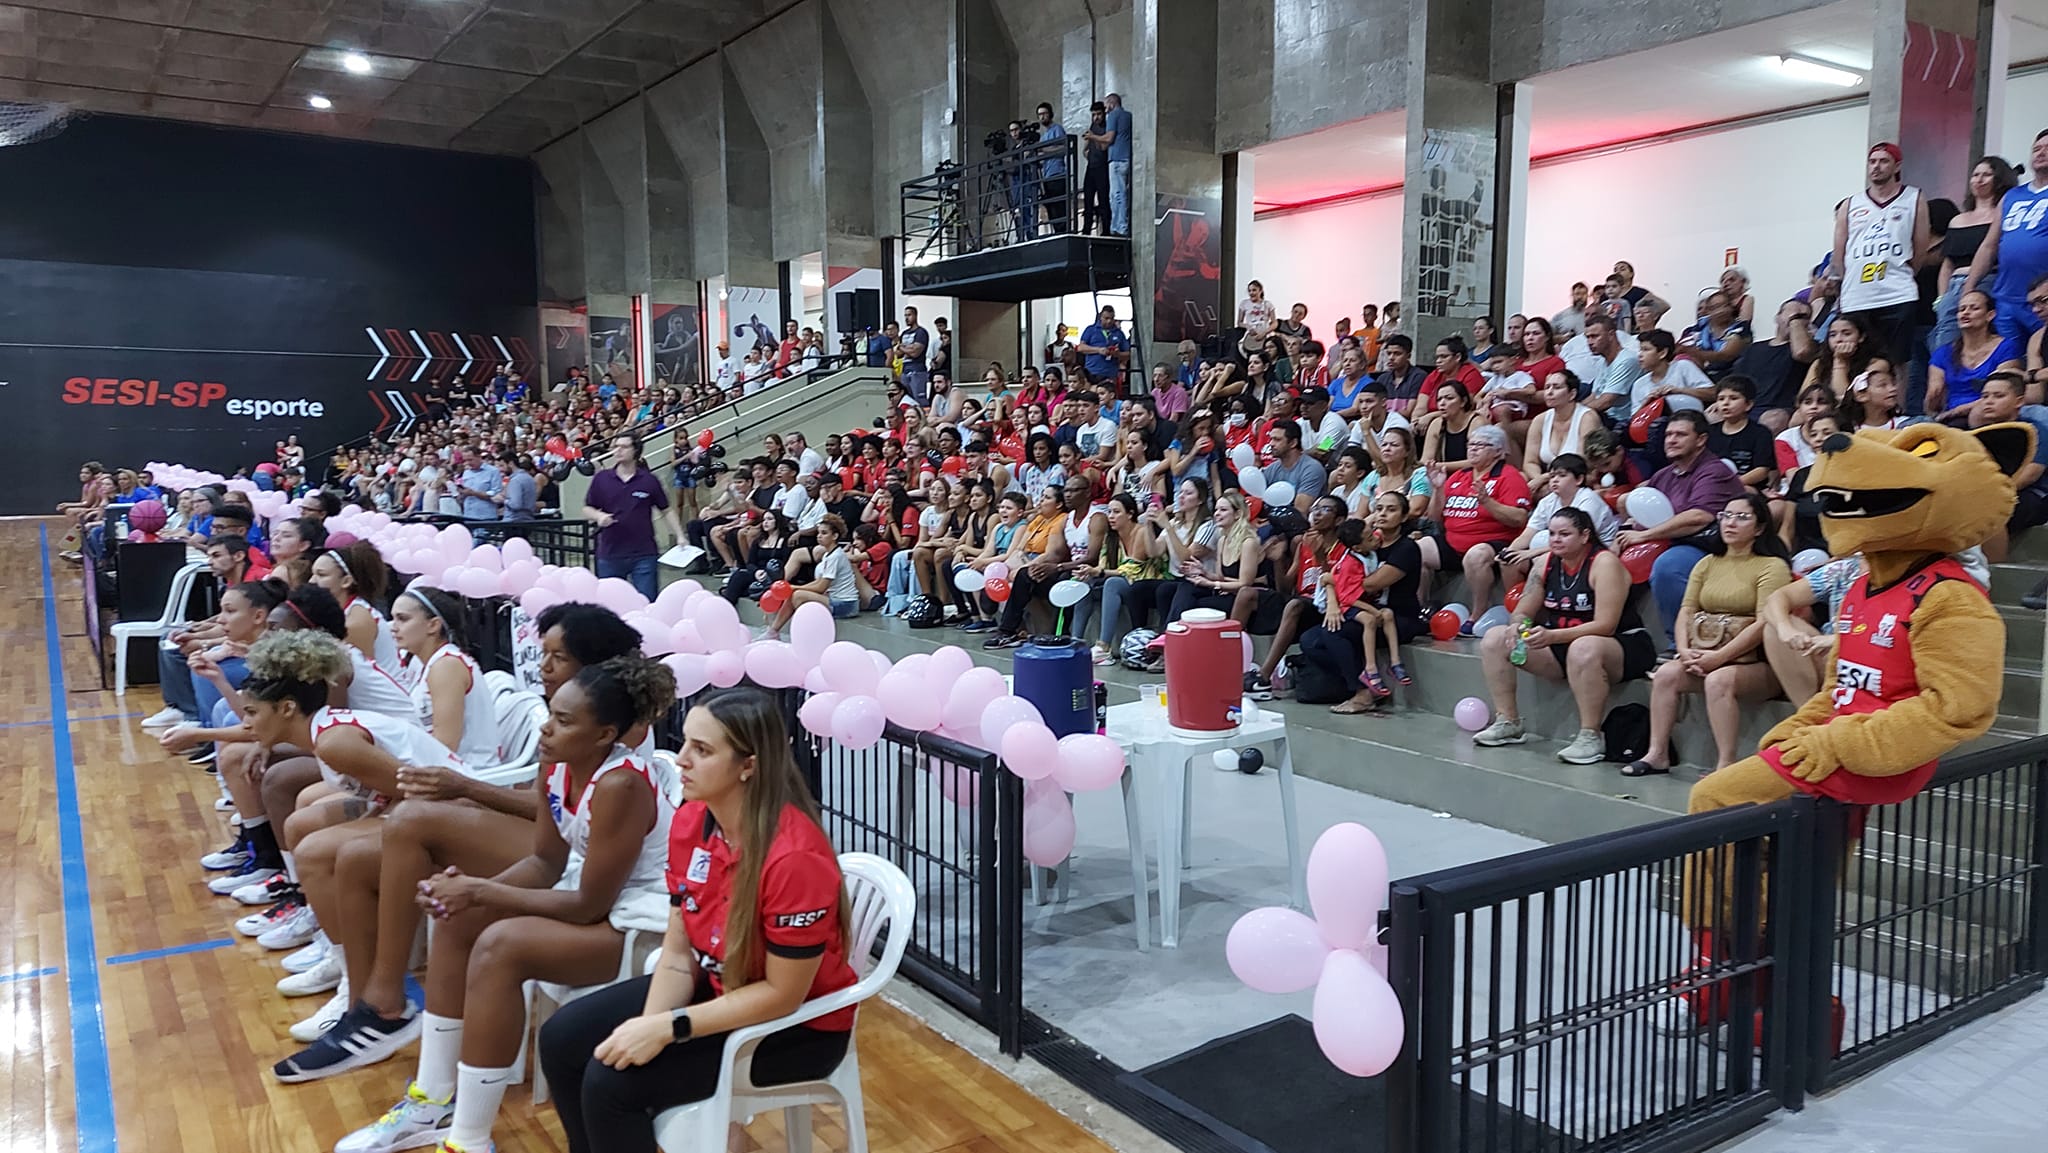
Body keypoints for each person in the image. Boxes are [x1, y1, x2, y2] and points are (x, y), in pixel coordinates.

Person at [321, 654, 676, 1152]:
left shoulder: (621, 784)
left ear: (605, 735)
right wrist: (463, 892)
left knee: (501, 946)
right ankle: (432, 1100)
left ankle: (468, 1139)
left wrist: (482, 889)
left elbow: (587, 906)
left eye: (565, 721)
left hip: (648, 928)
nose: (547, 729)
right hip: (595, 901)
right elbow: (545, 864)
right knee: (461, 919)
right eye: (551, 713)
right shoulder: (557, 764)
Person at [537, 689, 855, 1153]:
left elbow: (782, 996)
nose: (681, 760)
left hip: (796, 1028)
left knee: (611, 1088)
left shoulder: (794, 859)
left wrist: (670, 1029)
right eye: (685, 743)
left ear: (748, 765)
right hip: (719, 984)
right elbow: (678, 956)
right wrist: (646, 1030)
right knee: (561, 1039)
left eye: (701, 750)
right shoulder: (691, 822)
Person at [1626, 492, 1792, 776]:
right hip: (1705, 650)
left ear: (1760, 527)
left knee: (1718, 680)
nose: (1731, 523)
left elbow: (1765, 622)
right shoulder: (1707, 562)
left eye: (1742, 517)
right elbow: (1686, 611)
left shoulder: (1772, 566)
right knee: (1666, 674)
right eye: (1726, 516)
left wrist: (1719, 658)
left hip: (1757, 663)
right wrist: (1684, 650)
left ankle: (1725, 764)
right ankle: (1657, 753)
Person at [1475, 506, 1657, 762]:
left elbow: (1606, 625)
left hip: (1621, 644)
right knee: (1495, 638)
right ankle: (1509, 722)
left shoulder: (1604, 563)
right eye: (1551, 534)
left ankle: (1590, 735)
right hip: (1564, 641)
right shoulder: (1544, 563)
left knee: (1584, 647)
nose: (1555, 540)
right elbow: (1522, 610)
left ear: (1584, 536)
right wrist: (1517, 624)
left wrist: (1552, 637)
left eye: (1564, 534)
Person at [1621, 410, 1749, 645]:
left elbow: (1698, 517)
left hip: (1711, 547)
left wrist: (1644, 535)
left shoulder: (1714, 470)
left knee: (1668, 566)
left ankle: (1682, 642)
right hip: (1671, 541)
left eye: (1680, 434)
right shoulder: (1663, 475)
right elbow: (1645, 513)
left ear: (1700, 440)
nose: (1671, 439)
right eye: (1669, 434)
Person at [1328, 494, 1430, 714]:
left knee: (1335, 634)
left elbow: (1371, 584)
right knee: (1311, 639)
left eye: (1391, 510)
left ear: (1404, 517)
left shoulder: (1406, 547)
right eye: (1380, 508)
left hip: (1399, 617)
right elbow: (1331, 575)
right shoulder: (1364, 542)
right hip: (1365, 610)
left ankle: (1364, 693)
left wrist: (1339, 582)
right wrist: (1331, 601)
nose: (1383, 514)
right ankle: (1350, 686)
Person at [1833, 141, 1930, 365]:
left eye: (1883, 161)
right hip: (1857, 294)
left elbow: (1920, 248)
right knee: (1854, 360)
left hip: (1897, 292)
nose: (1876, 166)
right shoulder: (1851, 203)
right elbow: (1839, 253)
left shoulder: (1914, 198)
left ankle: (1896, 401)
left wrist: (1901, 272)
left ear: (1897, 166)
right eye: (1872, 161)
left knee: (1897, 362)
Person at [1427, 424, 1531, 630]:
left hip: (1493, 541)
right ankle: (1421, 606)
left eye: (1480, 445)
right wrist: (1438, 489)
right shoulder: (1458, 476)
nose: (1472, 449)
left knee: (1475, 555)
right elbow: (1433, 517)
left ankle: (1478, 611)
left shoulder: (1510, 476)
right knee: (1416, 550)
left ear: (1499, 452)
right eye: (1470, 444)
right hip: (1454, 541)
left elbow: (1519, 518)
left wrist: (1487, 502)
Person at [1964, 128, 2048, 340]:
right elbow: (1989, 246)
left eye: (2047, 149)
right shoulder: (2012, 196)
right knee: (2007, 363)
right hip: (2006, 297)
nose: (2041, 153)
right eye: (2037, 149)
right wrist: (1969, 287)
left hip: (2043, 299)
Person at [584, 431, 684, 601]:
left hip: (643, 552)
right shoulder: (602, 478)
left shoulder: (649, 480)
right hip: (610, 551)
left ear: (636, 450)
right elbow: (587, 508)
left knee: (646, 601)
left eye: (624, 447)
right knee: (609, 603)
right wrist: (599, 516)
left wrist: (680, 535)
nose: (618, 450)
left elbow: (666, 509)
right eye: (616, 446)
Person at [1934, 156, 2018, 350]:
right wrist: (1941, 297)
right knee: (1944, 339)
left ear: (1999, 180)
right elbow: (1947, 264)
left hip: (1988, 280)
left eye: (1986, 175)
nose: (1979, 180)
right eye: (1975, 175)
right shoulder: (1958, 220)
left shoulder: (2004, 214)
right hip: (1954, 285)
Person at [1927, 290, 2024, 417]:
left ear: (1990, 315)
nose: (1966, 313)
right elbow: (1930, 408)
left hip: (1993, 415)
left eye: (1974, 308)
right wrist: (1933, 399)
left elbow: (2004, 393)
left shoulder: (2006, 348)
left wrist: (1958, 411)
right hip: (1951, 417)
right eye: (1962, 309)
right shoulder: (1942, 353)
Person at [1729, 298, 1819, 431]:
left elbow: (1801, 352)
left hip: (1780, 409)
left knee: (1774, 420)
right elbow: (1736, 381)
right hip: (1748, 405)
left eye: (1803, 316)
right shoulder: (1754, 348)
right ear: (1777, 317)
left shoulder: (1811, 347)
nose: (1796, 317)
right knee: (1712, 416)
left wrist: (1795, 322)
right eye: (1792, 312)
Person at [1706, 376, 1778, 490]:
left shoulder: (1760, 433)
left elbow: (1762, 470)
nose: (1726, 403)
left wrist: (1731, 484)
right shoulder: (1709, 432)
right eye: (1721, 399)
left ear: (1748, 404)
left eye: (1733, 398)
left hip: (1747, 487)